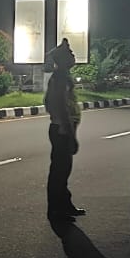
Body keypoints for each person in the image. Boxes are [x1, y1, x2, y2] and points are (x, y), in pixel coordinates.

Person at [44, 39, 86, 222]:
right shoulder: (60, 78)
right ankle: (56, 210)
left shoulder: (61, 77)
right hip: (62, 130)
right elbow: (60, 106)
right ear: (62, 59)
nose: (73, 56)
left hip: (61, 129)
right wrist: (70, 134)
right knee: (59, 172)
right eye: (70, 54)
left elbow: (48, 103)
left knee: (62, 171)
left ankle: (64, 205)